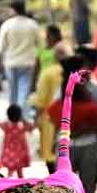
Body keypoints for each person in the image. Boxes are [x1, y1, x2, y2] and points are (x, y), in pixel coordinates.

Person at [47, 59, 97, 193]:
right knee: (85, 185)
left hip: (70, 145)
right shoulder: (91, 107)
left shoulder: (57, 106)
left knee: (64, 184)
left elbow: (56, 122)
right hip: (84, 144)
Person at [30, 27, 67, 172]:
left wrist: (37, 117)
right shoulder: (78, 73)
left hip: (50, 119)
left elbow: (40, 101)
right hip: (70, 120)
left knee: (50, 153)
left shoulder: (49, 73)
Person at [0, 0, 41, 111]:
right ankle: (22, 115)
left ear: (13, 10)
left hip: (10, 62)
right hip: (27, 62)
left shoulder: (7, 25)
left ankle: (13, 117)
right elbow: (39, 44)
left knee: (12, 91)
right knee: (24, 90)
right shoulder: (32, 24)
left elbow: (0, 48)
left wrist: (0, 61)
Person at [0, 104, 34, 177]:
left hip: (9, 153)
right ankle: (22, 184)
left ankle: (9, 183)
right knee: (20, 172)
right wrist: (23, 119)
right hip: (20, 153)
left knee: (10, 171)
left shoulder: (7, 125)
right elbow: (31, 127)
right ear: (20, 115)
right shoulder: (22, 126)